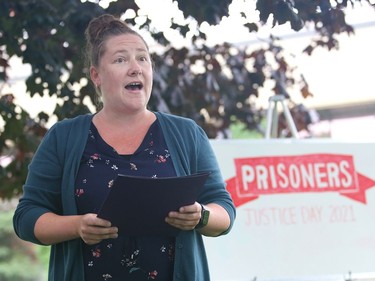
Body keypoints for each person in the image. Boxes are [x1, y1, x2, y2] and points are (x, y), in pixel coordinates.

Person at [13, 14, 236, 281]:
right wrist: (76, 226)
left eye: (143, 58)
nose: (135, 67)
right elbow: (26, 218)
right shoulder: (63, 137)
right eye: (121, 59)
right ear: (96, 75)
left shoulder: (187, 134)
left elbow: (224, 210)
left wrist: (201, 215)